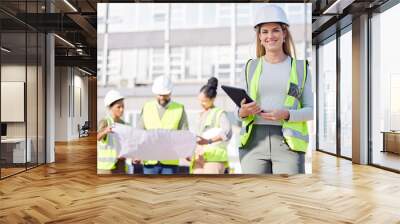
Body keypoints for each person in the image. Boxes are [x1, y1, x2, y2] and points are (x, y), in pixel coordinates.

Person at [237, 5, 313, 174]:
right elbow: (238, 112)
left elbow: (311, 110)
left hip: (288, 145)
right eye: (264, 31)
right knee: (254, 196)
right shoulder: (250, 67)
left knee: (288, 197)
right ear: (259, 36)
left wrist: (287, 114)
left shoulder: (300, 68)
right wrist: (242, 111)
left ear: (284, 33)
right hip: (252, 144)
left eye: (275, 30)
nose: (270, 36)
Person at [137, 75, 190, 174]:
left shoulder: (179, 108)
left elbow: (184, 133)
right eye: (159, 94)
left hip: (170, 160)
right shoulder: (147, 107)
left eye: (165, 94)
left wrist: (186, 151)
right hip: (150, 160)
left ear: (170, 92)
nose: (161, 97)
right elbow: (139, 133)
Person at [192, 77, 232, 174]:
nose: (201, 103)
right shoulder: (199, 115)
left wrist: (208, 141)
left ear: (213, 99)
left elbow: (227, 133)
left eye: (204, 101)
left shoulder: (220, 113)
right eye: (200, 100)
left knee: (210, 187)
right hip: (199, 158)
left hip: (215, 159)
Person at [97, 90, 130, 174]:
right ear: (110, 107)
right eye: (118, 107)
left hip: (121, 165)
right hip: (106, 168)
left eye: (123, 106)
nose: (122, 109)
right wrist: (105, 131)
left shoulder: (124, 124)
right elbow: (96, 138)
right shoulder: (105, 122)